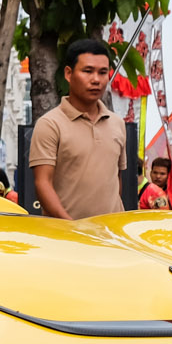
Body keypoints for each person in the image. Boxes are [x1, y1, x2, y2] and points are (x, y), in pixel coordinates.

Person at [29, 38, 127, 219]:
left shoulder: (117, 124)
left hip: (110, 237)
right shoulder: (50, 124)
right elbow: (42, 183)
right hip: (67, 239)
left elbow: (116, 179)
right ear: (68, 73)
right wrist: (72, 227)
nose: (96, 80)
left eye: (103, 72)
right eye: (87, 71)